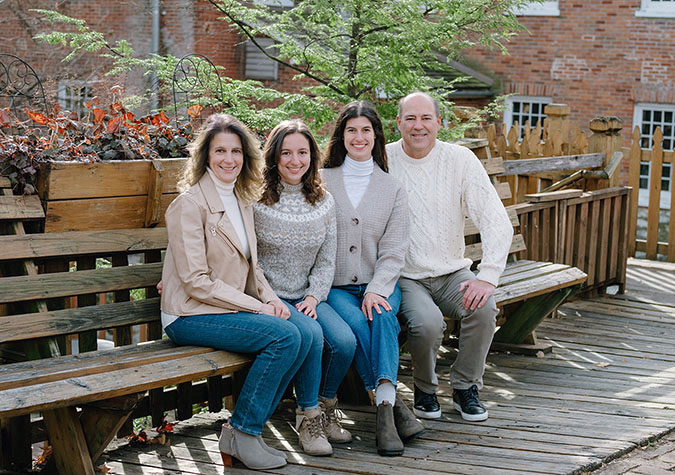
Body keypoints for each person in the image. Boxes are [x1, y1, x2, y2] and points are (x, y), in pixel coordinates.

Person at [160, 113, 305, 470]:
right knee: (284, 338)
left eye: (236, 151)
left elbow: (253, 268)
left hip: (221, 309)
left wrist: (269, 298)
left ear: (246, 157)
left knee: (299, 333)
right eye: (220, 151)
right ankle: (241, 430)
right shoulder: (189, 205)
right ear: (205, 157)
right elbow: (196, 281)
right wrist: (257, 309)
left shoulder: (241, 200)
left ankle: (247, 434)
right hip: (187, 313)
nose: (229, 159)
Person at [386, 92, 513, 422]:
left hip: (452, 272)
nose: (418, 126)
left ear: (439, 122)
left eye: (426, 118)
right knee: (427, 324)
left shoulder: (460, 160)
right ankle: (425, 390)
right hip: (407, 276)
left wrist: (487, 275)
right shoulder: (383, 160)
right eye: (410, 118)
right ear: (398, 122)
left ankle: (465, 387)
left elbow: (495, 219)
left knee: (484, 309)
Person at [322, 100, 424, 457]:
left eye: (366, 130)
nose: (359, 136)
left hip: (379, 284)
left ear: (376, 136)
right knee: (363, 327)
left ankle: (383, 414)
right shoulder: (322, 180)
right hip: (335, 289)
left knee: (380, 314)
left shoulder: (392, 188)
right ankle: (393, 408)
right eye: (352, 129)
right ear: (342, 135)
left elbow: (394, 250)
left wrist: (377, 289)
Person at [254, 119, 356, 455]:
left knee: (343, 342)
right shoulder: (256, 199)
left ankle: (325, 408)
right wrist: (268, 297)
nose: (295, 160)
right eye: (286, 153)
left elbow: (327, 260)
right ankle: (306, 415)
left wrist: (314, 296)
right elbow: (248, 258)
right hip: (270, 298)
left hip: (308, 294)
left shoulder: (323, 200)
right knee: (311, 336)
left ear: (312, 156)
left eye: (302, 152)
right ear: (274, 157)